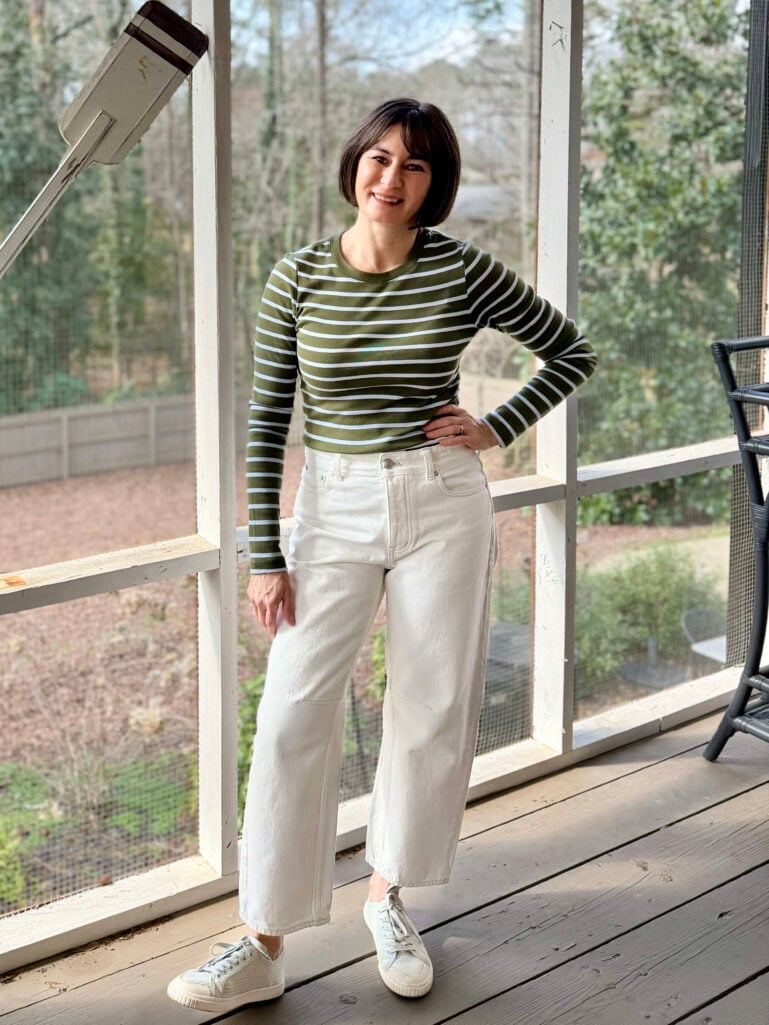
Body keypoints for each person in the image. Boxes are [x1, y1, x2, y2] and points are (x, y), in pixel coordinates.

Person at [167, 97, 596, 1014]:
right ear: (354, 162)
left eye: (413, 167)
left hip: (441, 498)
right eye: (378, 158)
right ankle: (261, 939)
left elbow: (569, 350)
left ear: (432, 185)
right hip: (332, 503)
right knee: (289, 715)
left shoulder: (458, 270)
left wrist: (496, 425)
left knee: (430, 705)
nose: (389, 179)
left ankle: (387, 896)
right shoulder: (297, 277)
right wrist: (263, 554)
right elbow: (268, 420)